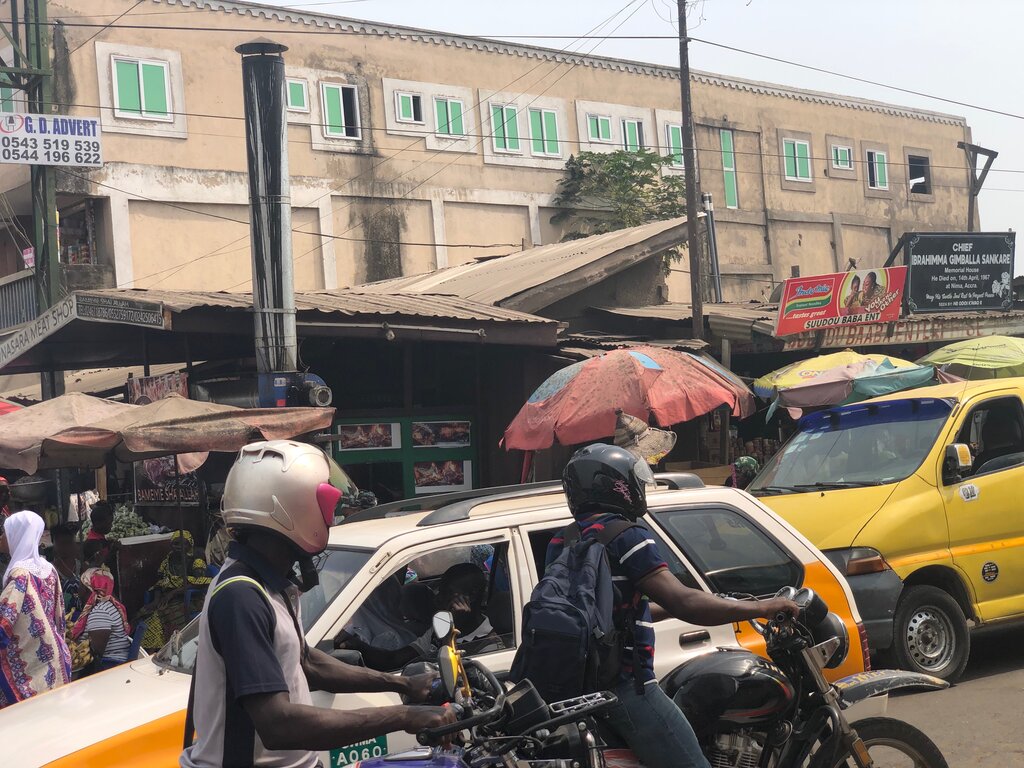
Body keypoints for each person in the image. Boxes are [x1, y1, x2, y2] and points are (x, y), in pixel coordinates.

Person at [181, 441, 454, 768]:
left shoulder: (271, 585)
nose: (331, 517)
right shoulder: (242, 595)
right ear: (292, 508)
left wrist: (402, 684)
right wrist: (404, 716)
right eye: (325, 506)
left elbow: (307, 662)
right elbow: (277, 723)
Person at [549, 444, 799, 768]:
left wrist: (671, 607)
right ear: (615, 486)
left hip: (581, 687)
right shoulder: (628, 536)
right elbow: (684, 600)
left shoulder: (563, 540)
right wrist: (763, 607)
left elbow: (603, 616)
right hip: (627, 687)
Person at [0, 511, 73, 707]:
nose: (2, 538)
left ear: (18, 536)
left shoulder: (20, 576)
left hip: (30, 672)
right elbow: (60, 617)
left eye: (6, 533)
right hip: (55, 661)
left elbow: (3, 623)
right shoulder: (48, 569)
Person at [139, 530, 213, 651]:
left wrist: (174, 592)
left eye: (183, 544)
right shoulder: (167, 562)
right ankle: (151, 650)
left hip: (189, 599)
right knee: (145, 612)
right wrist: (156, 600)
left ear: (190, 545)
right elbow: (160, 582)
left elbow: (200, 583)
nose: (179, 547)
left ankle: (171, 648)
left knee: (159, 615)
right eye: (176, 544)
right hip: (167, 597)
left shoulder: (196, 562)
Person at [72, 566, 132, 672]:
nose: (78, 591)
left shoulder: (100, 611)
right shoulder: (108, 604)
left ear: (87, 589)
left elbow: (95, 652)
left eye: (80, 586)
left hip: (109, 666)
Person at [49, 523, 84, 614]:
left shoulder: (82, 567)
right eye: (62, 543)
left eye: (69, 543)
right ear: (55, 545)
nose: (66, 547)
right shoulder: (50, 570)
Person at [84, 501, 117, 568]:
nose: (111, 526)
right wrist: (113, 550)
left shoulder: (99, 539)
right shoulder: (93, 543)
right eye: (108, 523)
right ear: (98, 523)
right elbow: (100, 565)